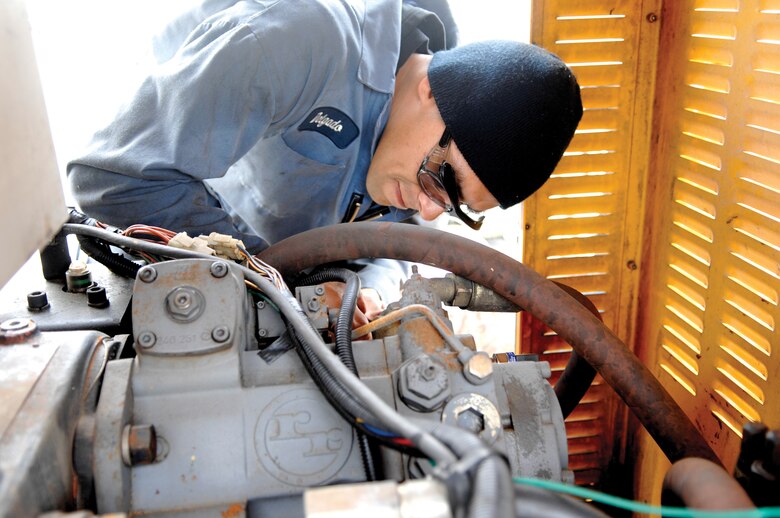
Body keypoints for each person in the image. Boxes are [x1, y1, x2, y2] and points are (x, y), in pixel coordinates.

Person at [67, 0, 582, 324]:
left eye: (453, 208)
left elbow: (394, 248)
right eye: (441, 179)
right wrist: (281, 278)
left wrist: (369, 293)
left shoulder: (413, 158)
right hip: (177, 250)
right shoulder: (298, 42)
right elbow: (113, 178)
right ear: (431, 91)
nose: (427, 211)